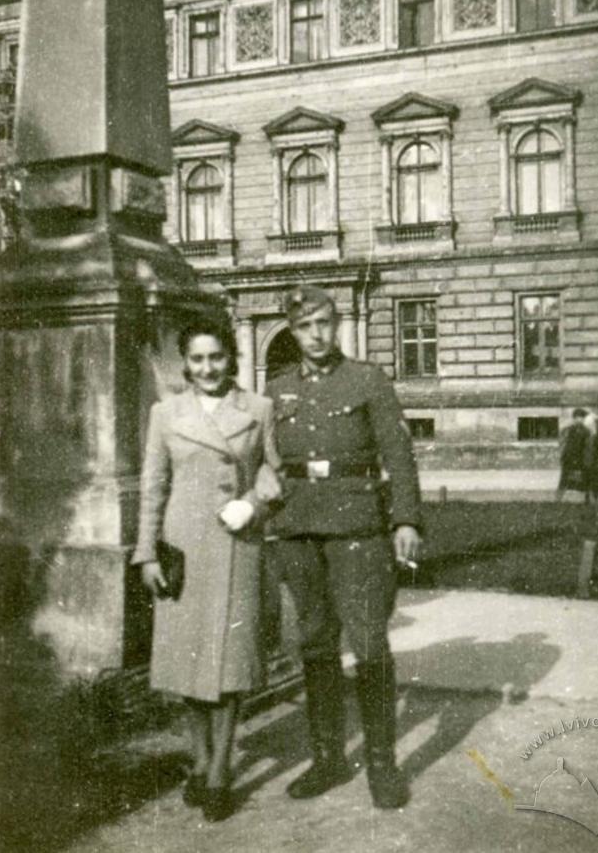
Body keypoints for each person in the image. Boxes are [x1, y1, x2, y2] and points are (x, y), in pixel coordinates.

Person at [266, 285, 422, 810]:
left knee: (370, 643)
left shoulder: (367, 379)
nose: (315, 335)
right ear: (292, 330)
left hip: (358, 527)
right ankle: (329, 758)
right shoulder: (277, 386)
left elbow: (398, 454)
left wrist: (405, 519)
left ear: (336, 325)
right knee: (314, 643)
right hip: (298, 528)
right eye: (305, 326)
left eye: (323, 324)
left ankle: (382, 764)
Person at [132, 316, 281, 822]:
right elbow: (153, 485)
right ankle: (198, 759)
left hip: (238, 544)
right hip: (183, 549)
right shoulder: (164, 413)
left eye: (216, 357)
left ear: (230, 357)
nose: (207, 368)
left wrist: (253, 504)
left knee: (229, 666)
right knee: (187, 664)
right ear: (185, 364)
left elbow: (274, 473)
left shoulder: (258, 409)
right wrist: (146, 553)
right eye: (196, 359)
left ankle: (219, 769)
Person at [557, 408, 590, 502]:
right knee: (565, 479)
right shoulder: (569, 430)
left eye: (583, 418)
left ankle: (586, 500)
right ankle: (558, 499)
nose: (582, 419)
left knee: (584, 478)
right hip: (570, 458)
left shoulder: (585, 431)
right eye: (580, 417)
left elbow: (587, 447)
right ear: (575, 418)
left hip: (578, 458)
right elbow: (563, 444)